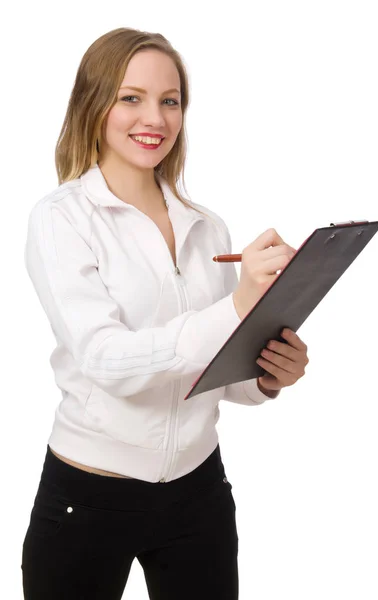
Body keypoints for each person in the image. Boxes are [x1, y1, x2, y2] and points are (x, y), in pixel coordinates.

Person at [21, 27, 309, 600]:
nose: (154, 117)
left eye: (169, 100)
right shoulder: (62, 219)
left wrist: (267, 375)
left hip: (197, 494)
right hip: (89, 496)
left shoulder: (208, 226)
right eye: (131, 97)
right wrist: (235, 307)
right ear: (93, 102)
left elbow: (213, 375)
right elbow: (106, 360)